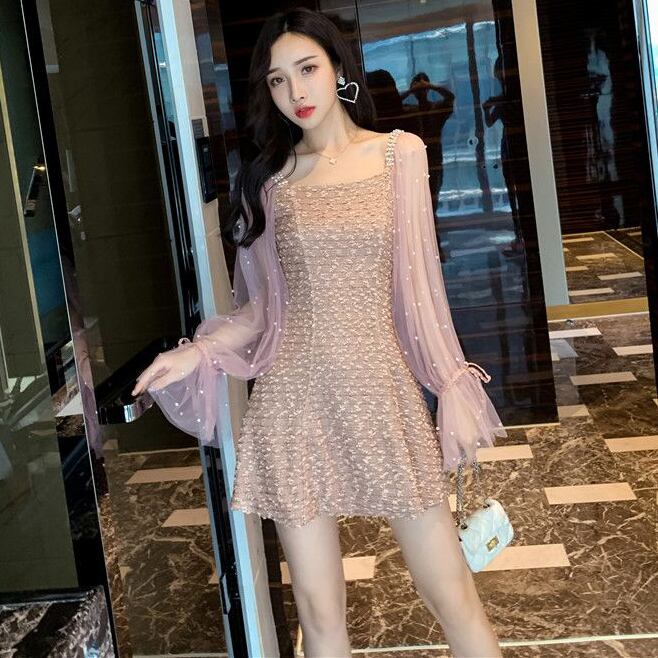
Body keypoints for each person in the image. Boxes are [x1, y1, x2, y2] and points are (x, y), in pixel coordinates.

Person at [132, 7, 506, 657]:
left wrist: (450, 385)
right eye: (278, 80)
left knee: (451, 595)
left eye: (307, 69)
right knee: (318, 612)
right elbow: (260, 312)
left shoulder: (399, 154)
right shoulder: (270, 182)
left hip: (382, 395)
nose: (296, 92)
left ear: (338, 68)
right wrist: (195, 353)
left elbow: (422, 292)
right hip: (294, 404)